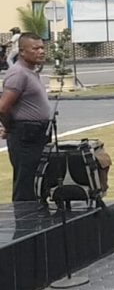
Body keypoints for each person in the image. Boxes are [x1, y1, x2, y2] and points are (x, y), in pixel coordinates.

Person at [0, 34, 51, 202]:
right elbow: (3, 107)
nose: (41, 51)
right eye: (35, 48)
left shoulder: (30, 72)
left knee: (39, 180)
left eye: (42, 47)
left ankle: (40, 222)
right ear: (22, 52)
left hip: (38, 134)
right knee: (26, 183)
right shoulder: (18, 74)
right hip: (25, 135)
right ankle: (24, 225)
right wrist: (8, 127)